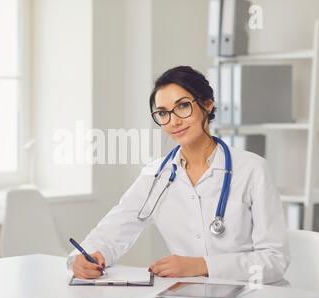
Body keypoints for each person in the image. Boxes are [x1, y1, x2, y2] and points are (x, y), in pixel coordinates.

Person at [67, 66, 290, 283]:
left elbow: (275, 261)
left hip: (251, 292)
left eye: (183, 106)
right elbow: (110, 233)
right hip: (188, 291)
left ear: (208, 105)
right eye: (163, 113)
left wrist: (202, 265)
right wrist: (82, 259)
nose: (174, 121)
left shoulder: (252, 169)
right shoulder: (156, 175)